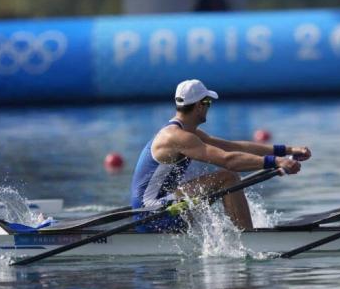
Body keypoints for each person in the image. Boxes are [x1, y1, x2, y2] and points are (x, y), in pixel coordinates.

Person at [131, 79, 311, 231]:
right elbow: (228, 160)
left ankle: (238, 232)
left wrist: (288, 150)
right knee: (228, 178)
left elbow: (232, 147)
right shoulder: (177, 137)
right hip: (150, 214)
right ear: (199, 106)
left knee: (218, 183)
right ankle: (248, 238)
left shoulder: (188, 132)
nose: (209, 107)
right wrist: (277, 162)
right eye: (208, 102)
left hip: (162, 205)